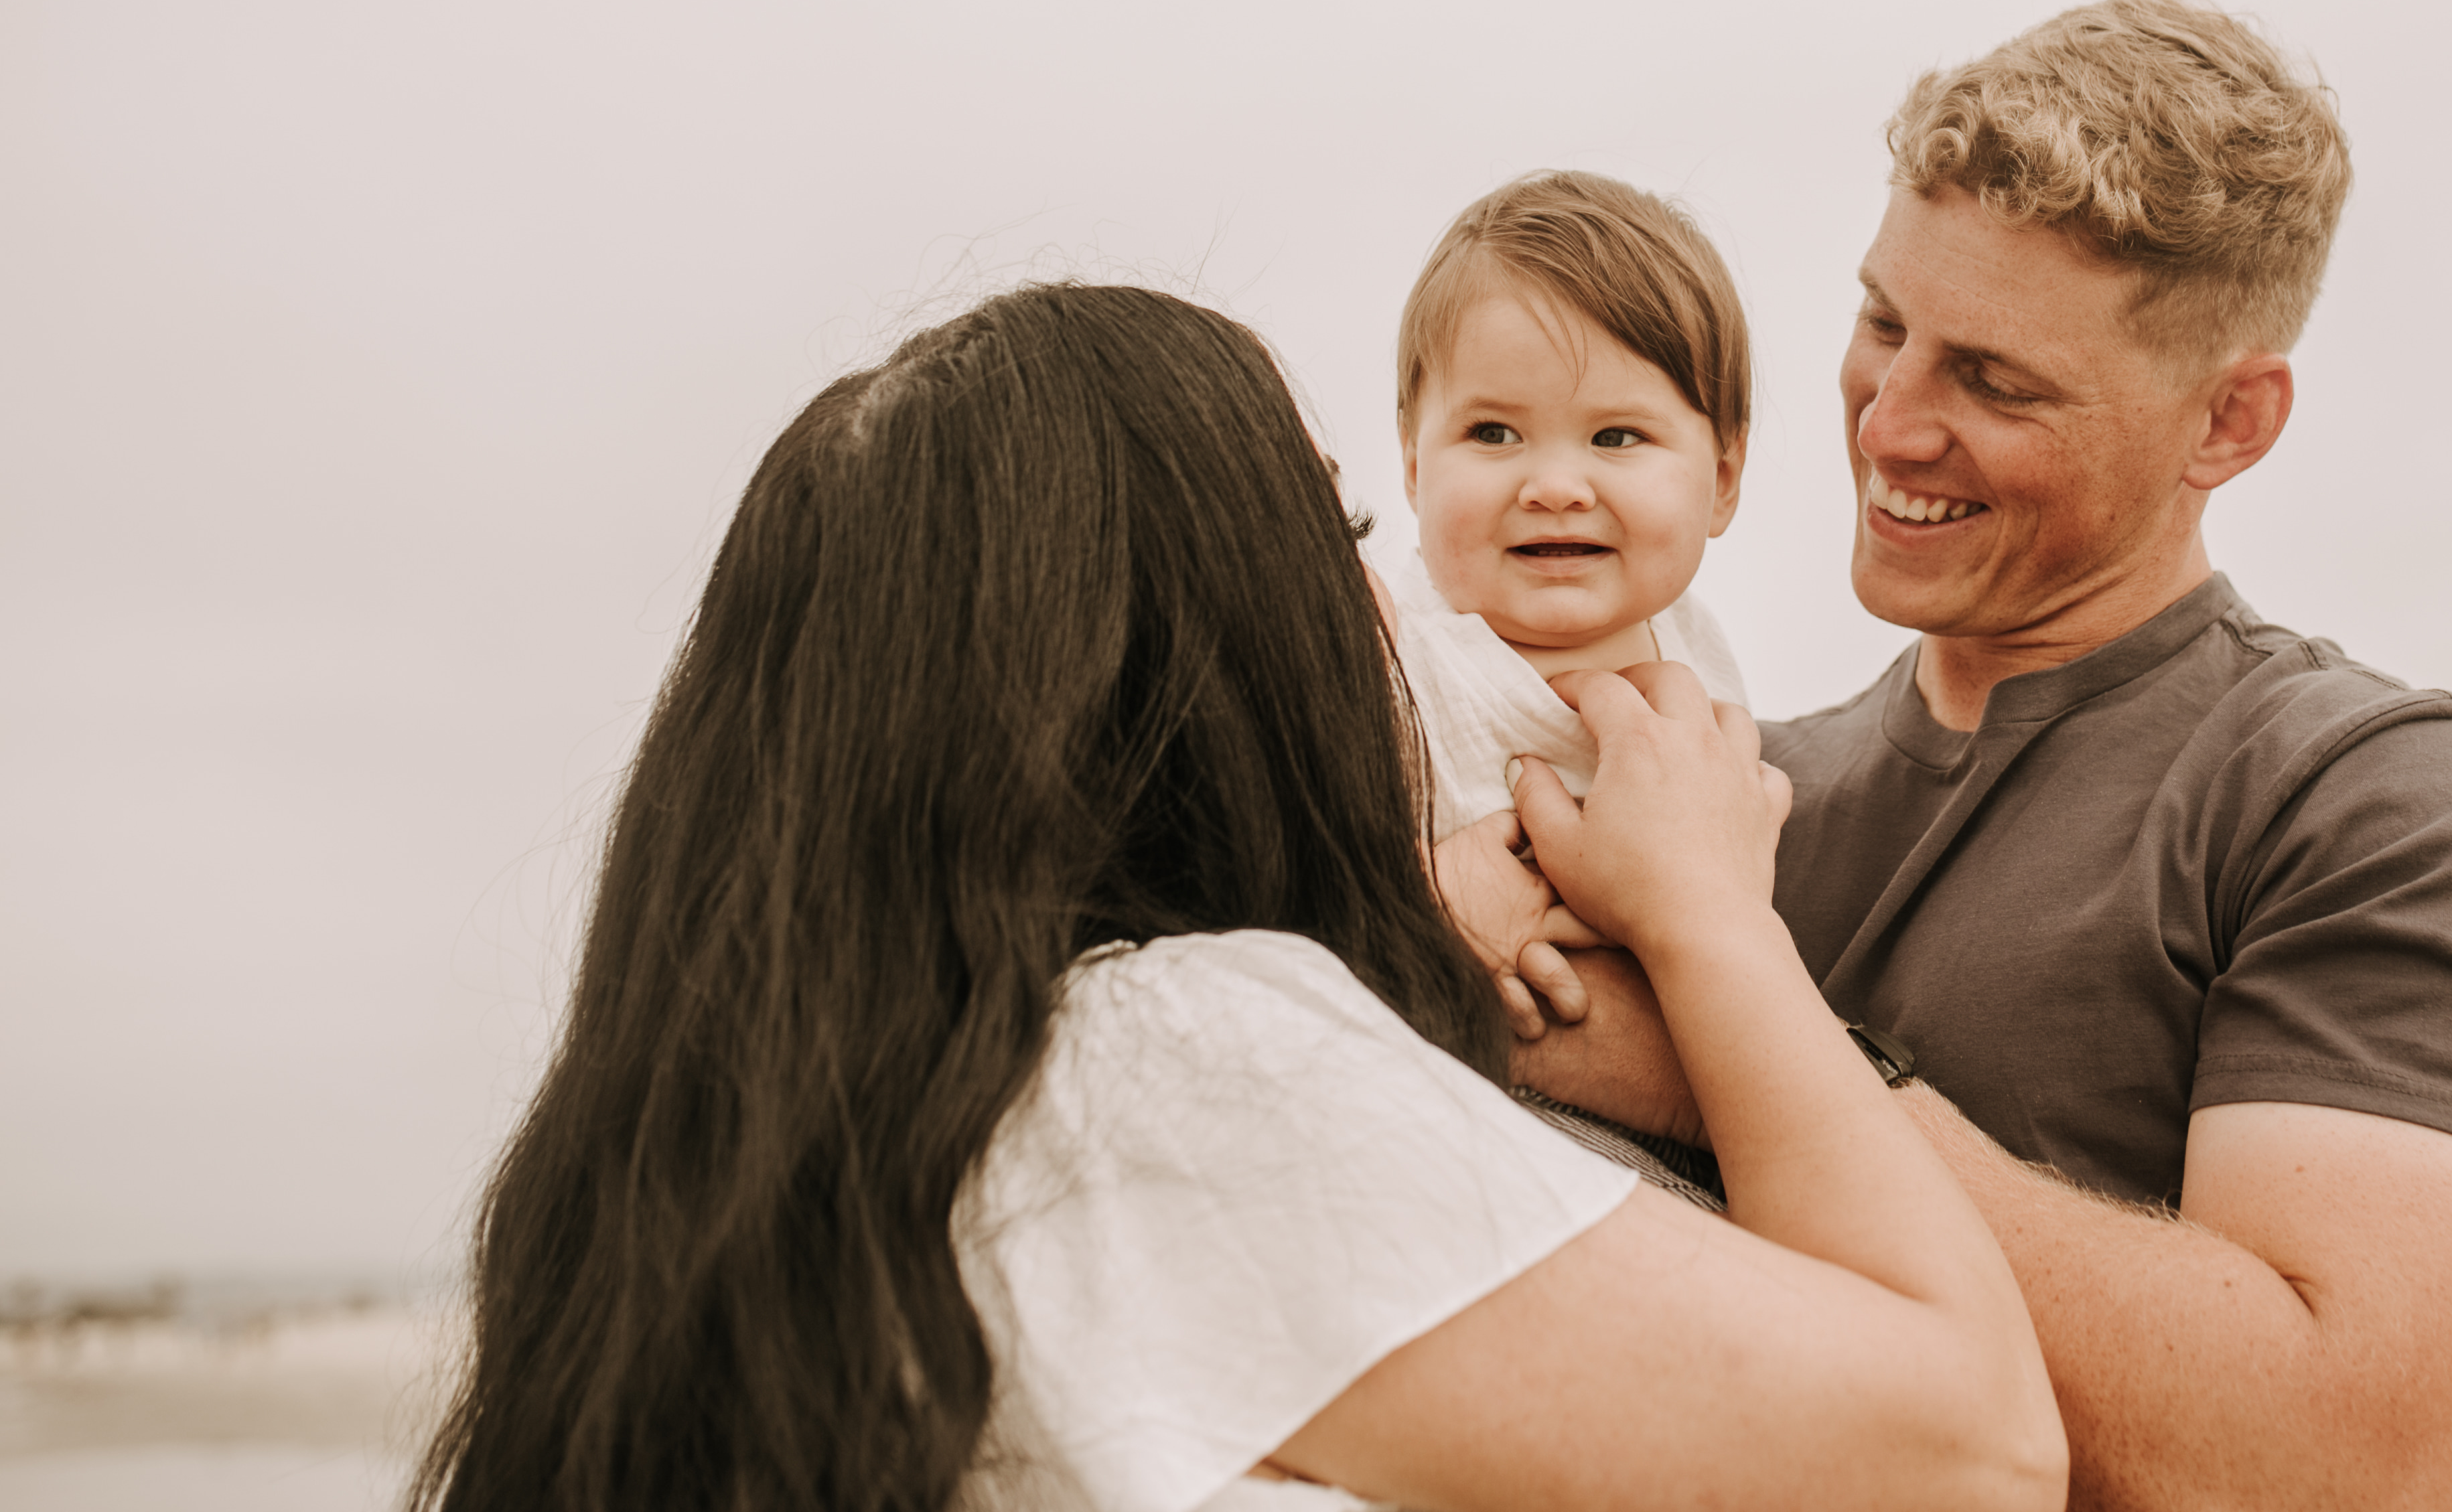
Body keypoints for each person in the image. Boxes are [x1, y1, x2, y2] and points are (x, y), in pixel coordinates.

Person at [411, 283, 2064, 1512]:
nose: (1385, 598)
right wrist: (1716, 920)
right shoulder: (1168, 1061)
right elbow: (1970, 1450)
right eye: (1335, 522)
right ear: (1193, 649)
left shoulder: (822, 1126)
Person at [1518, 0, 2452, 1512]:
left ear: (2229, 421)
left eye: (1995, 380)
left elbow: (2359, 1471)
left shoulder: (2390, 805)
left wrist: (1720, 1048)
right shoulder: (1707, 790)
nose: (1889, 424)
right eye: (1883, 324)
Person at [1387, 171, 1757, 1050]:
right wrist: (1420, 914)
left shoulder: (1695, 652)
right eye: (1492, 434)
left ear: (1724, 480)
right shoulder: (1393, 656)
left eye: (1616, 438)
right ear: (1411, 467)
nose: (1554, 487)